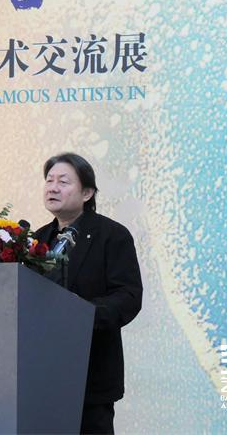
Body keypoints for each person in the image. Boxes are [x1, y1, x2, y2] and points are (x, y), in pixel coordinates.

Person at [34, 153, 142, 435]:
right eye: (49, 180)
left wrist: (81, 313)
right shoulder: (37, 239)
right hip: (41, 374)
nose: (53, 188)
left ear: (87, 193)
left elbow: (128, 296)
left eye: (63, 182)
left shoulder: (112, 235)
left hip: (90, 373)